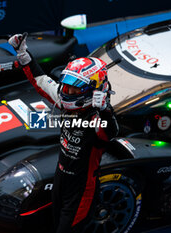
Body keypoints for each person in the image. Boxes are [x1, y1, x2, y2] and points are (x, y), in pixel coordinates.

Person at [8, 34, 119, 233]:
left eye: (74, 89)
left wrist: (105, 109)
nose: (66, 91)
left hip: (82, 188)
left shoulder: (98, 118)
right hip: (60, 176)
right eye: (66, 84)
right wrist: (23, 53)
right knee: (54, 221)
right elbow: (41, 80)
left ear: (92, 91)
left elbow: (110, 133)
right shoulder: (67, 103)